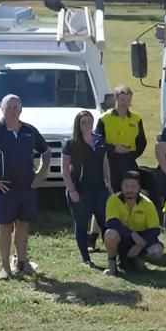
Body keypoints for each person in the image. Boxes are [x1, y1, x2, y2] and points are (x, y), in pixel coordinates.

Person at [0, 94, 51, 280]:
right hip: (4, 188)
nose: (12, 111)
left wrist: (40, 174)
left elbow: (46, 152)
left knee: (23, 224)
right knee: (5, 226)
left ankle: (22, 262)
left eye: (16, 107)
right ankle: (5, 267)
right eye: (9, 107)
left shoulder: (29, 131)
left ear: (21, 109)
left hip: (26, 187)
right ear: (2, 110)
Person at [61, 110, 111, 267]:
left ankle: (113, 256)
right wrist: (72, 190)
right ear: (78, 124)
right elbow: (65, 170)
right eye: (83, 122)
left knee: (105, 222)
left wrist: (109, 183)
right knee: (81, 223)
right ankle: (86, 258)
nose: (87, 125)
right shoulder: (71, 144)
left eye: (90, 122)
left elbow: (105, 163)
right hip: (80, 189)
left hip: (99, 189)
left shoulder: (99, 140)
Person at [103, 171, 163, 276]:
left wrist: (141, 244)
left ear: (139, 187)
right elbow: (112, 222)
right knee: (109, 234)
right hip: (123, 238)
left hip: (141, 238)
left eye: (133, 186)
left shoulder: (147, 204)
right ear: (121, 186)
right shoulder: (113, 200)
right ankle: (112, 267)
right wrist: (131, 234)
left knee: (157, 250)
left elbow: (155, 229)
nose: (129, 189)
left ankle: (138, 258)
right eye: (126, 186)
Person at [95, 84, 147, 192]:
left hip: (129, 161)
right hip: (110, 161)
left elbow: (142, 142)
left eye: (128, 100)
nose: (125, 103)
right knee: (113, 192)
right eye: (122, 100)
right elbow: (97, 141)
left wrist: (132, 154)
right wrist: (113, 148)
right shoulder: (105, 118)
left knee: (131, 191)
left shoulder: (136, 119)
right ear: (116, 99)